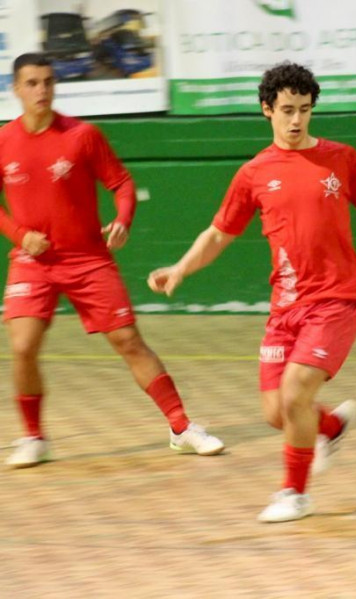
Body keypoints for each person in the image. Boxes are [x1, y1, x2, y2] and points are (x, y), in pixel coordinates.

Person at [147, 62, 356, 523]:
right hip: (285, 307)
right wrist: (180, 269)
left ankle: (294, 493)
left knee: (294, 396)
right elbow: (217, 234)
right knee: (278, 412)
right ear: (267, 110)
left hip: (338, 297)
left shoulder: (341, 159)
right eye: (287, 110)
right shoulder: (253, 173)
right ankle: (331, 426)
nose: (296, 121)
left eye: (304, 110)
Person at [0, 53, 224, 469]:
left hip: (88, 259)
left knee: (128, 342)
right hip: (32, 263)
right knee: (23, 345)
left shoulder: (82, 135)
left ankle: (181, 427)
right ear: (15, 88)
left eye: (48, 81)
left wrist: (123, 220)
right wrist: (19, 235)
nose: (42, 90)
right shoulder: (3, 141)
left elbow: (120, 183)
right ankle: (33, 437)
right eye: (32, 83)